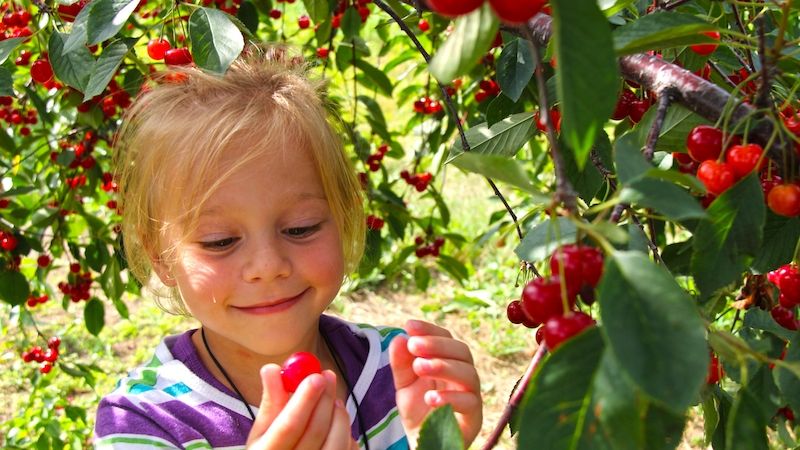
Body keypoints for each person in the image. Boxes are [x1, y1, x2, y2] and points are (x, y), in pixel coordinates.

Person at [94, 45, 482, 450]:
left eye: (301, 228)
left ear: (344, 220)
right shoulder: (145, 423)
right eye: (220, 241)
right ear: (161, 256)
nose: (268, 266)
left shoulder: (398, 371)